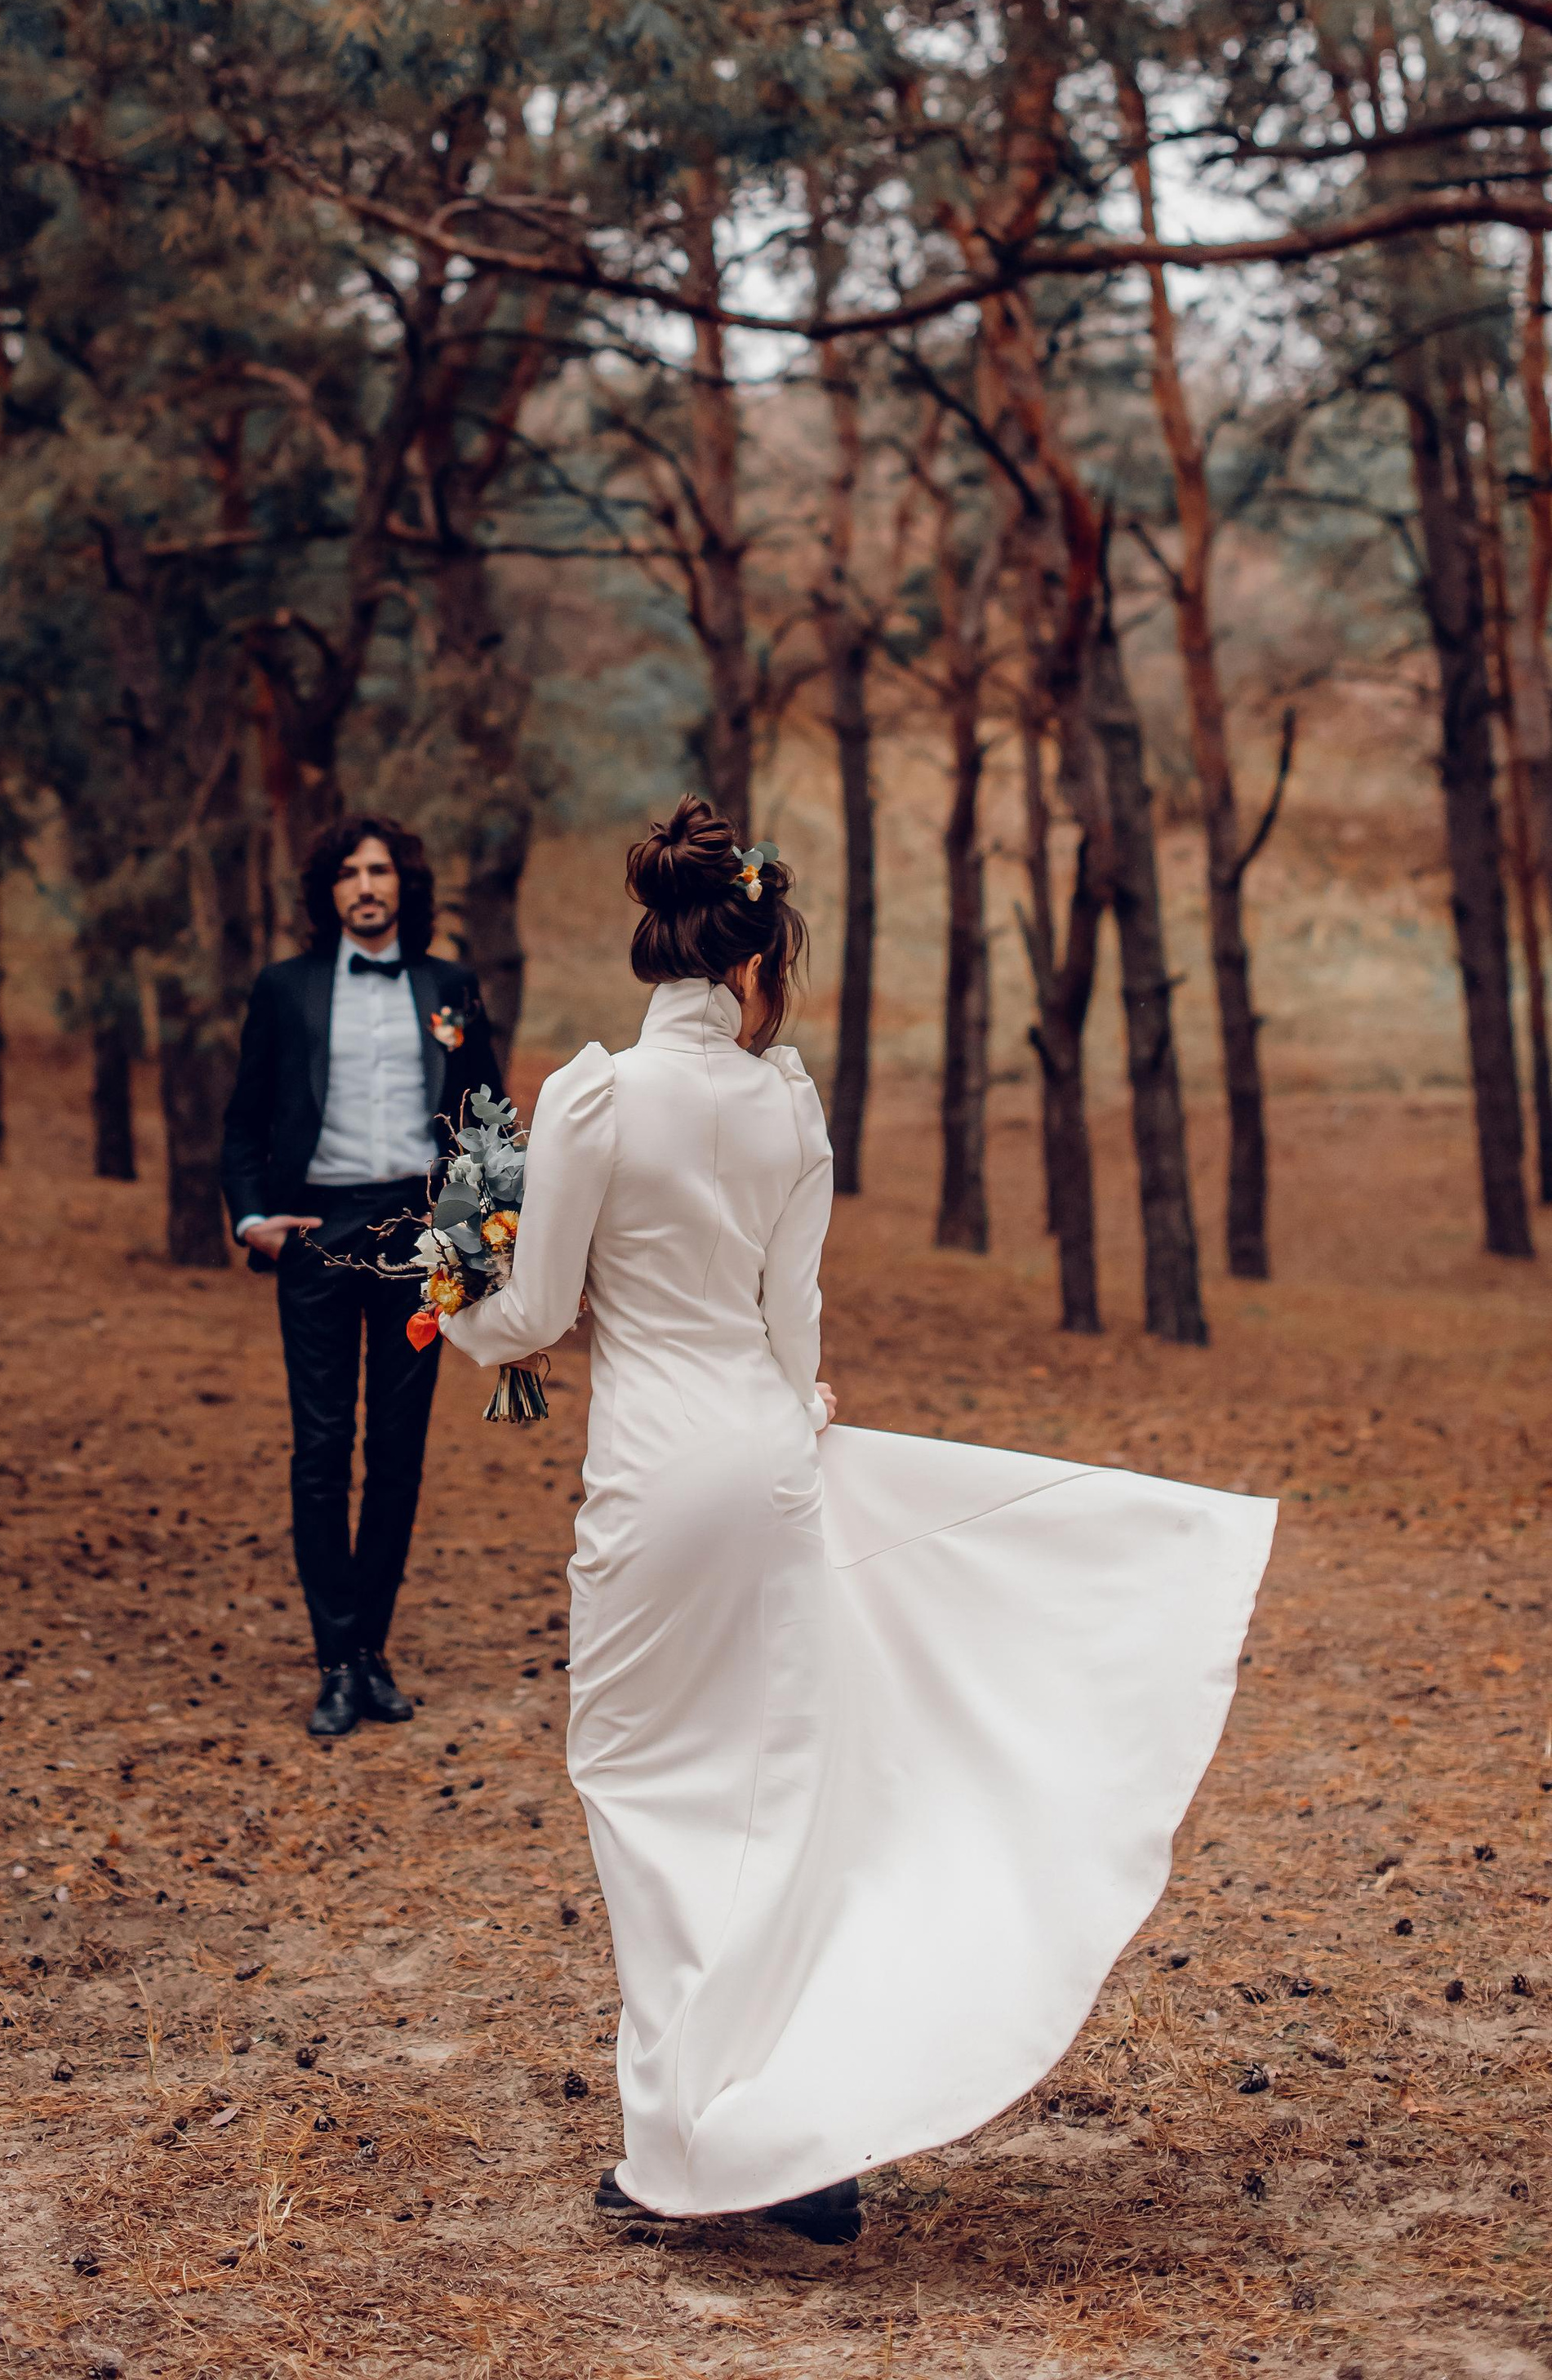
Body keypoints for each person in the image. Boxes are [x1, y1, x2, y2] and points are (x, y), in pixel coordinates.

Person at [444, 795, 1276, 2244]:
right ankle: (795, 2125)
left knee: (647, 1793)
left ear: (662, 948)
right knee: (778, 1793)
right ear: (759, 957)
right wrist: (797, 1414)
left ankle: (688, 2143)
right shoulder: (790, 1103)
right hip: (766, 1466)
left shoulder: (591, 1096)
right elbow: (792, 1320)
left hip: (652, 1481)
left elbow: (542, 1309)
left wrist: (455, 1287)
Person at [220, 814, 504, 1739]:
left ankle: (371, 1652)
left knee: (398, 1452)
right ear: (328, 891)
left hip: (418, 1241)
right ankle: (333, 1659)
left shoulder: (448, 987)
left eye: (380, 869)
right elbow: (244, 1122)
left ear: (404, 885)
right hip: (316, 1231)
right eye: (348, 872)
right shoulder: (286, 990)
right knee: (320, 1447)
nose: (365, 885)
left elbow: (482, 1119)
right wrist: (255, 1221)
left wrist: (468, 1235)